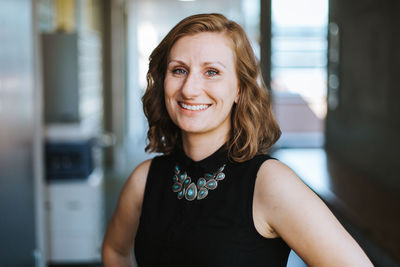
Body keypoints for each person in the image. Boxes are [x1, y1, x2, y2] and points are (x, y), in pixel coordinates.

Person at [102, 13, 372, 266]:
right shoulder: (144, 179)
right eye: (179, 70)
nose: (190, 89)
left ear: (239, 89)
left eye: (212, 72)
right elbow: (114, 250)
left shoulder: (270, 183)